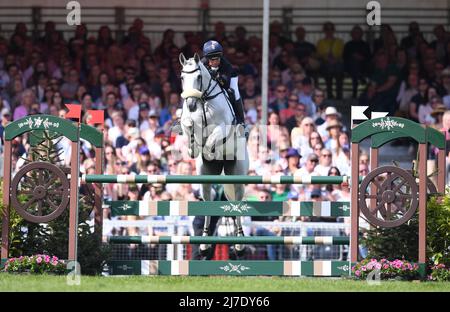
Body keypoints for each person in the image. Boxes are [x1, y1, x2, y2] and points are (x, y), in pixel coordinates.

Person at [201, 40, 247, 135]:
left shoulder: (226, 65)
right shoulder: (202, 63)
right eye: (212, 59)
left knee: (234, 92)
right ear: (207, 58)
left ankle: (241, 122)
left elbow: (225, 85)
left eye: (217, 58)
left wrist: (217, 76)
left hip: (229, 78)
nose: (215, 61)